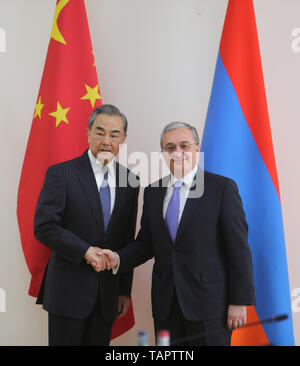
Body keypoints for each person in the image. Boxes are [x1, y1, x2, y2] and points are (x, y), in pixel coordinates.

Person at [97, 121, 256, 346]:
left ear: (197, 149)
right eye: (170, 147)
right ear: (163, 152)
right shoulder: (153, 192)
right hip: (166, 304)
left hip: (210, 305)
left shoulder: (222, 189)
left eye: (184, 145)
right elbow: (146, 244)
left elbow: (238, 248)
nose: (178, 153)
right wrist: (118, 258)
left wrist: (239, 301)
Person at [34, 104, 139, 346]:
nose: (106, 140)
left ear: (123, 139)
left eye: (114, 134)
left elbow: (126, 239)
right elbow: (44, 226)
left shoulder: (131, 181)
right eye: (100, 132)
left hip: (107, 295)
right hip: (67, 292)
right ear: (88, 133)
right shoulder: (61, 174)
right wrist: (84, 250)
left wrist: (124, 290)